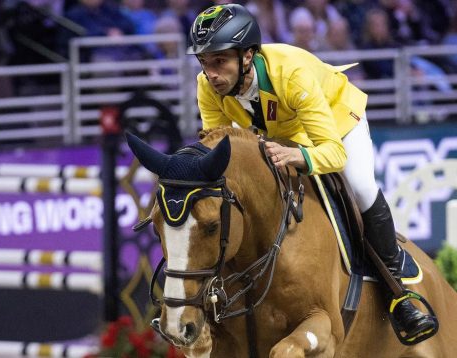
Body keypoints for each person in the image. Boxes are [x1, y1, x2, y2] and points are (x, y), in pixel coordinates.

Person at [187, 3, 437, 342]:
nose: (211, 73)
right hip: (278, 137)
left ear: (247, 56)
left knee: (361, 186)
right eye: (204, 62)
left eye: (219, 62)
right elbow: (218, 149)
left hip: (336, 124)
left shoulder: (291, 74)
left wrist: (299, 155)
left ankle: (401, 294)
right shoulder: (208, 85)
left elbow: (332, 152)